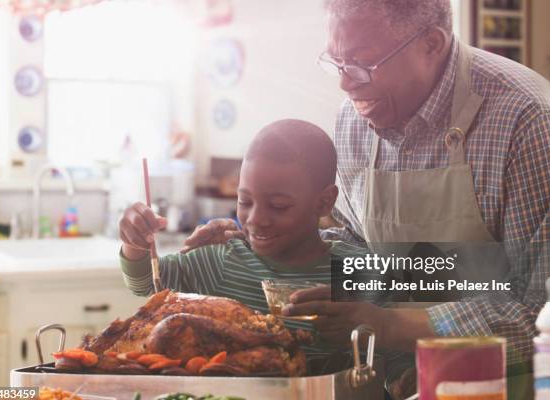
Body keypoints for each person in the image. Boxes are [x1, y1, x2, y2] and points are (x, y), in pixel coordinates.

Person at [182, 0, 550, 400]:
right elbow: (359, 250)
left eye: (361, 63)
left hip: (512, 389)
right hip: (401, 385)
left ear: (431, 44)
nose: (344, 83)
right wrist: (256, 239)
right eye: (336, 62)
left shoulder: (522, 115)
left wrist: (393, 325)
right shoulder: (354, 121)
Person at [118, 118, 409, 378]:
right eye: (244, 202)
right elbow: (145, 281)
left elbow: (396, 367)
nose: (255, 219)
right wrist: (134, 242)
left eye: (279, 206)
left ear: (323, 202)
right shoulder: (222, 260)